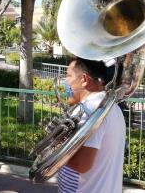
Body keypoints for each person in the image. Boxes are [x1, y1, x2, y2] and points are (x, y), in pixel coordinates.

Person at [57, 58, 126, 193]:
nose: (66, 83)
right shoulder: (110, 106)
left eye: (69, 76)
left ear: (84, 79)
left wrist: (57, 146)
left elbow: (82, 164)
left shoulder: (90, 109)